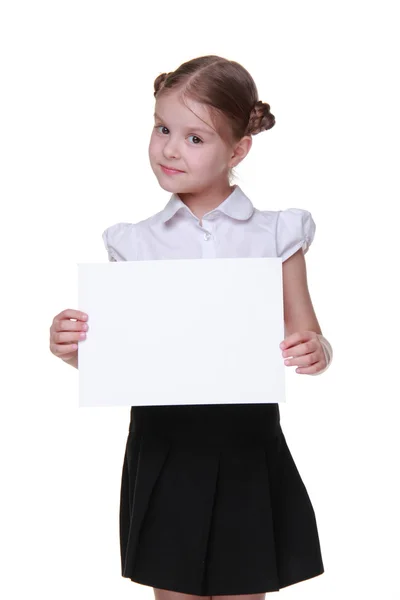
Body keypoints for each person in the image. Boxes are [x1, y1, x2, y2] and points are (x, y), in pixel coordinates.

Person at [49, 55, 333, 600]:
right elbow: (122, 356)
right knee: (173, 590)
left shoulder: (277, 234)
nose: (170, 148)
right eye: (161, 129)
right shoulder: (134, 242)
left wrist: (315, 350)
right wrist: (73, 349)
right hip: (165, 445)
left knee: (243, 587)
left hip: (246, 442)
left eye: (194, 137)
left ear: (238, 149)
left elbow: (308, 334)